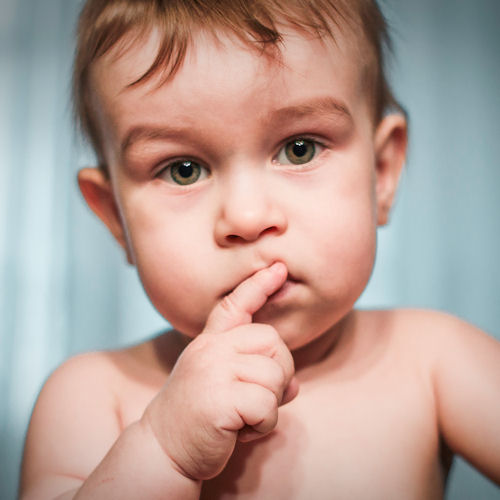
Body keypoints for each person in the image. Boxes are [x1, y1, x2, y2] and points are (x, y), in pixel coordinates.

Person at [19, 0, 500, 498]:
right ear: (116, 217)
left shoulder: (434, 359)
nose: (247, 219)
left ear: (381, 173)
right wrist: (163, 449)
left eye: (300, 148)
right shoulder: (91, 396)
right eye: (183, 169)